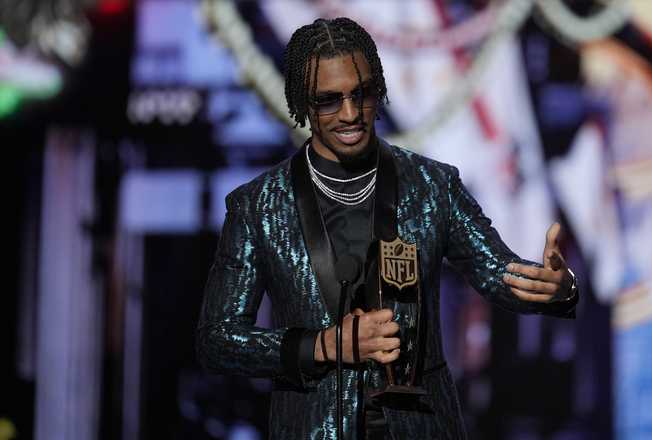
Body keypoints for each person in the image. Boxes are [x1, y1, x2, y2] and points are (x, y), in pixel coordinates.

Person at [196, 17, 578, 440]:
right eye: (329, 100)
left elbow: (496, 272)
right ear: (302, 102)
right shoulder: (258, 206)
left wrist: (556, 289)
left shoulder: (434, 187)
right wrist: (322, 346)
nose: (349, 113)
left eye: (361, 94)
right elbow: (218, 340)